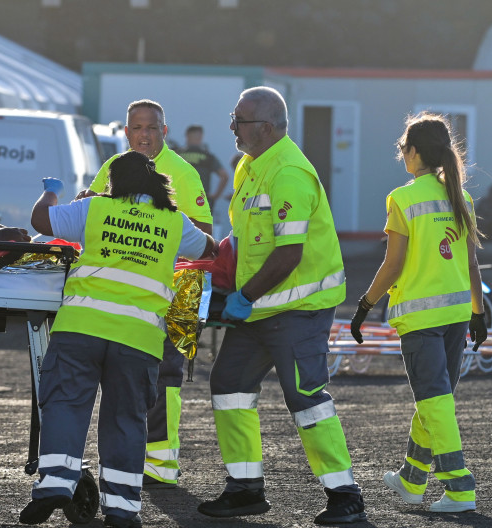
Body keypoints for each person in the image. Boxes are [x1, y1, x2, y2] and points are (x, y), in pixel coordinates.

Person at [19, 151, 216, 527]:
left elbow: (39, 221)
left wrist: (51, 193)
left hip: (81, 327)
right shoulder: (174, 222)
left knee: (65, 404)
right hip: (138, 338)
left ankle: (55, 486)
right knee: (127, 419)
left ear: (114, 183)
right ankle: (122, 510)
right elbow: (210, 248)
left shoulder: (93, 209)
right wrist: (180, 223)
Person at [198, 87, 366, 525]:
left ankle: (345, 495)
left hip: (298, 309)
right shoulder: (249, 167)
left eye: (240, 121)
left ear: (266, 128)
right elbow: (243, 238)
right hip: (259, 307)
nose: (232, 128)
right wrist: (221, 274)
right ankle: (245, 489)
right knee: (229, 384)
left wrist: (242, 297)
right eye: (234, 118)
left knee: (305, 397)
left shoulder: (289, 172)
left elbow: (288, 255)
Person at [350, 112, 486, 513]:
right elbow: (472, 265)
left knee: (434, 399)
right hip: (458, 315)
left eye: (402, 149)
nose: (401, 155)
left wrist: (364, 305)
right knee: (435, 399)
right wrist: (479, 313)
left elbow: (391, 265)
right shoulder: (461, 197)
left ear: (413, 152)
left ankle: (460, 491)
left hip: (421, 321)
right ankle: (411, 479)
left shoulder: (402, 198)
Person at [79, 99, 213, 489]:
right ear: (126, 132)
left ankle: (162, 461)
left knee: (165, 373)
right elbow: (88, 207)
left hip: (173, 289)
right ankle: (136, 458)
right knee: (125, 373)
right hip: (126, 290)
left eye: (152, 128)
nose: (144, 135)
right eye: (137, 128)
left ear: (164, 131)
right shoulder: (114, 167)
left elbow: (203, 231)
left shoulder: (182, 172)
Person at [174, 125, 230, 212]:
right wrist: (215, 196)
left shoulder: (177, 154)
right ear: (201, 137)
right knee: (200, 225)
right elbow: (225, 176)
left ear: (187, 136)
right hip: (201, 201)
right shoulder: (208, 156)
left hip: (179, 200)